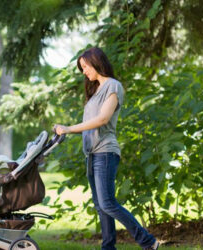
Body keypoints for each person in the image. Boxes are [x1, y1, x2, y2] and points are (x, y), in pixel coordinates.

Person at [53, 47, 159, 250]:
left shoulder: (113, 86)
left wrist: (68, 128)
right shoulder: (94, 93)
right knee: (101, 207)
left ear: (96, 62)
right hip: (92, 155)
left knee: (108, 203)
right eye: (81, 68)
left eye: (85, 66)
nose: (84, 71)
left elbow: (102, 119)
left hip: (106, 152)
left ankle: (148, 241)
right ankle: (108, 247)